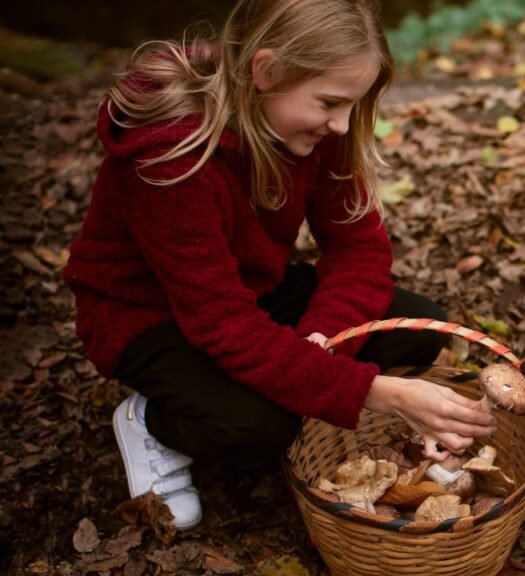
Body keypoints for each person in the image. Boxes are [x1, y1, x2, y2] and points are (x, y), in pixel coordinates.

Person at [62, 0, 496, 530]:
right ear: (266, 71)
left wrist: (322, 341)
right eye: (330, 103)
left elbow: (358, 249)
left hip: (247, 292)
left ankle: (287, 383)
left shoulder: (312, 126)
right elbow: (221, 323)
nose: (341, 124)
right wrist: (372, 390)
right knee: (259, 425)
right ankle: (149, 421)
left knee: (414, 327)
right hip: (149, 316)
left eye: (350, 105)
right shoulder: (173, 160)